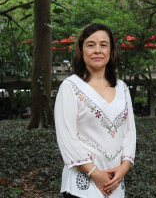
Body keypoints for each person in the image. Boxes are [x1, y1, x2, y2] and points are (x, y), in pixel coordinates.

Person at [54, 23, 136, 198]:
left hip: (116, 182)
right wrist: (95, 173)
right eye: (90, 45)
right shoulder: (70, 87)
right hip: (81, 184)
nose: (97, 50)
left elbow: (129, 132)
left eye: (103, 45)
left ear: (111, 50)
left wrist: (124, 166)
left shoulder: (122, 88)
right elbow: (66, 136)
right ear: (81, 50)